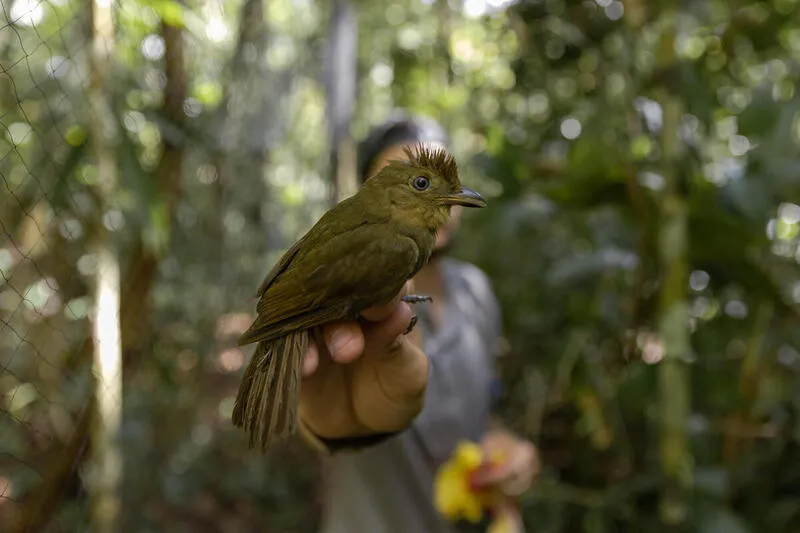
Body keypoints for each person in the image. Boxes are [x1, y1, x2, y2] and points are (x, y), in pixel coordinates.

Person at [296, 111, 539, 533]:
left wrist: (504, 453)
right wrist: (332, 424)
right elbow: (318, 416)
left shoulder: (476, 291)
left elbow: (481, 408)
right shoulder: (348, 287)